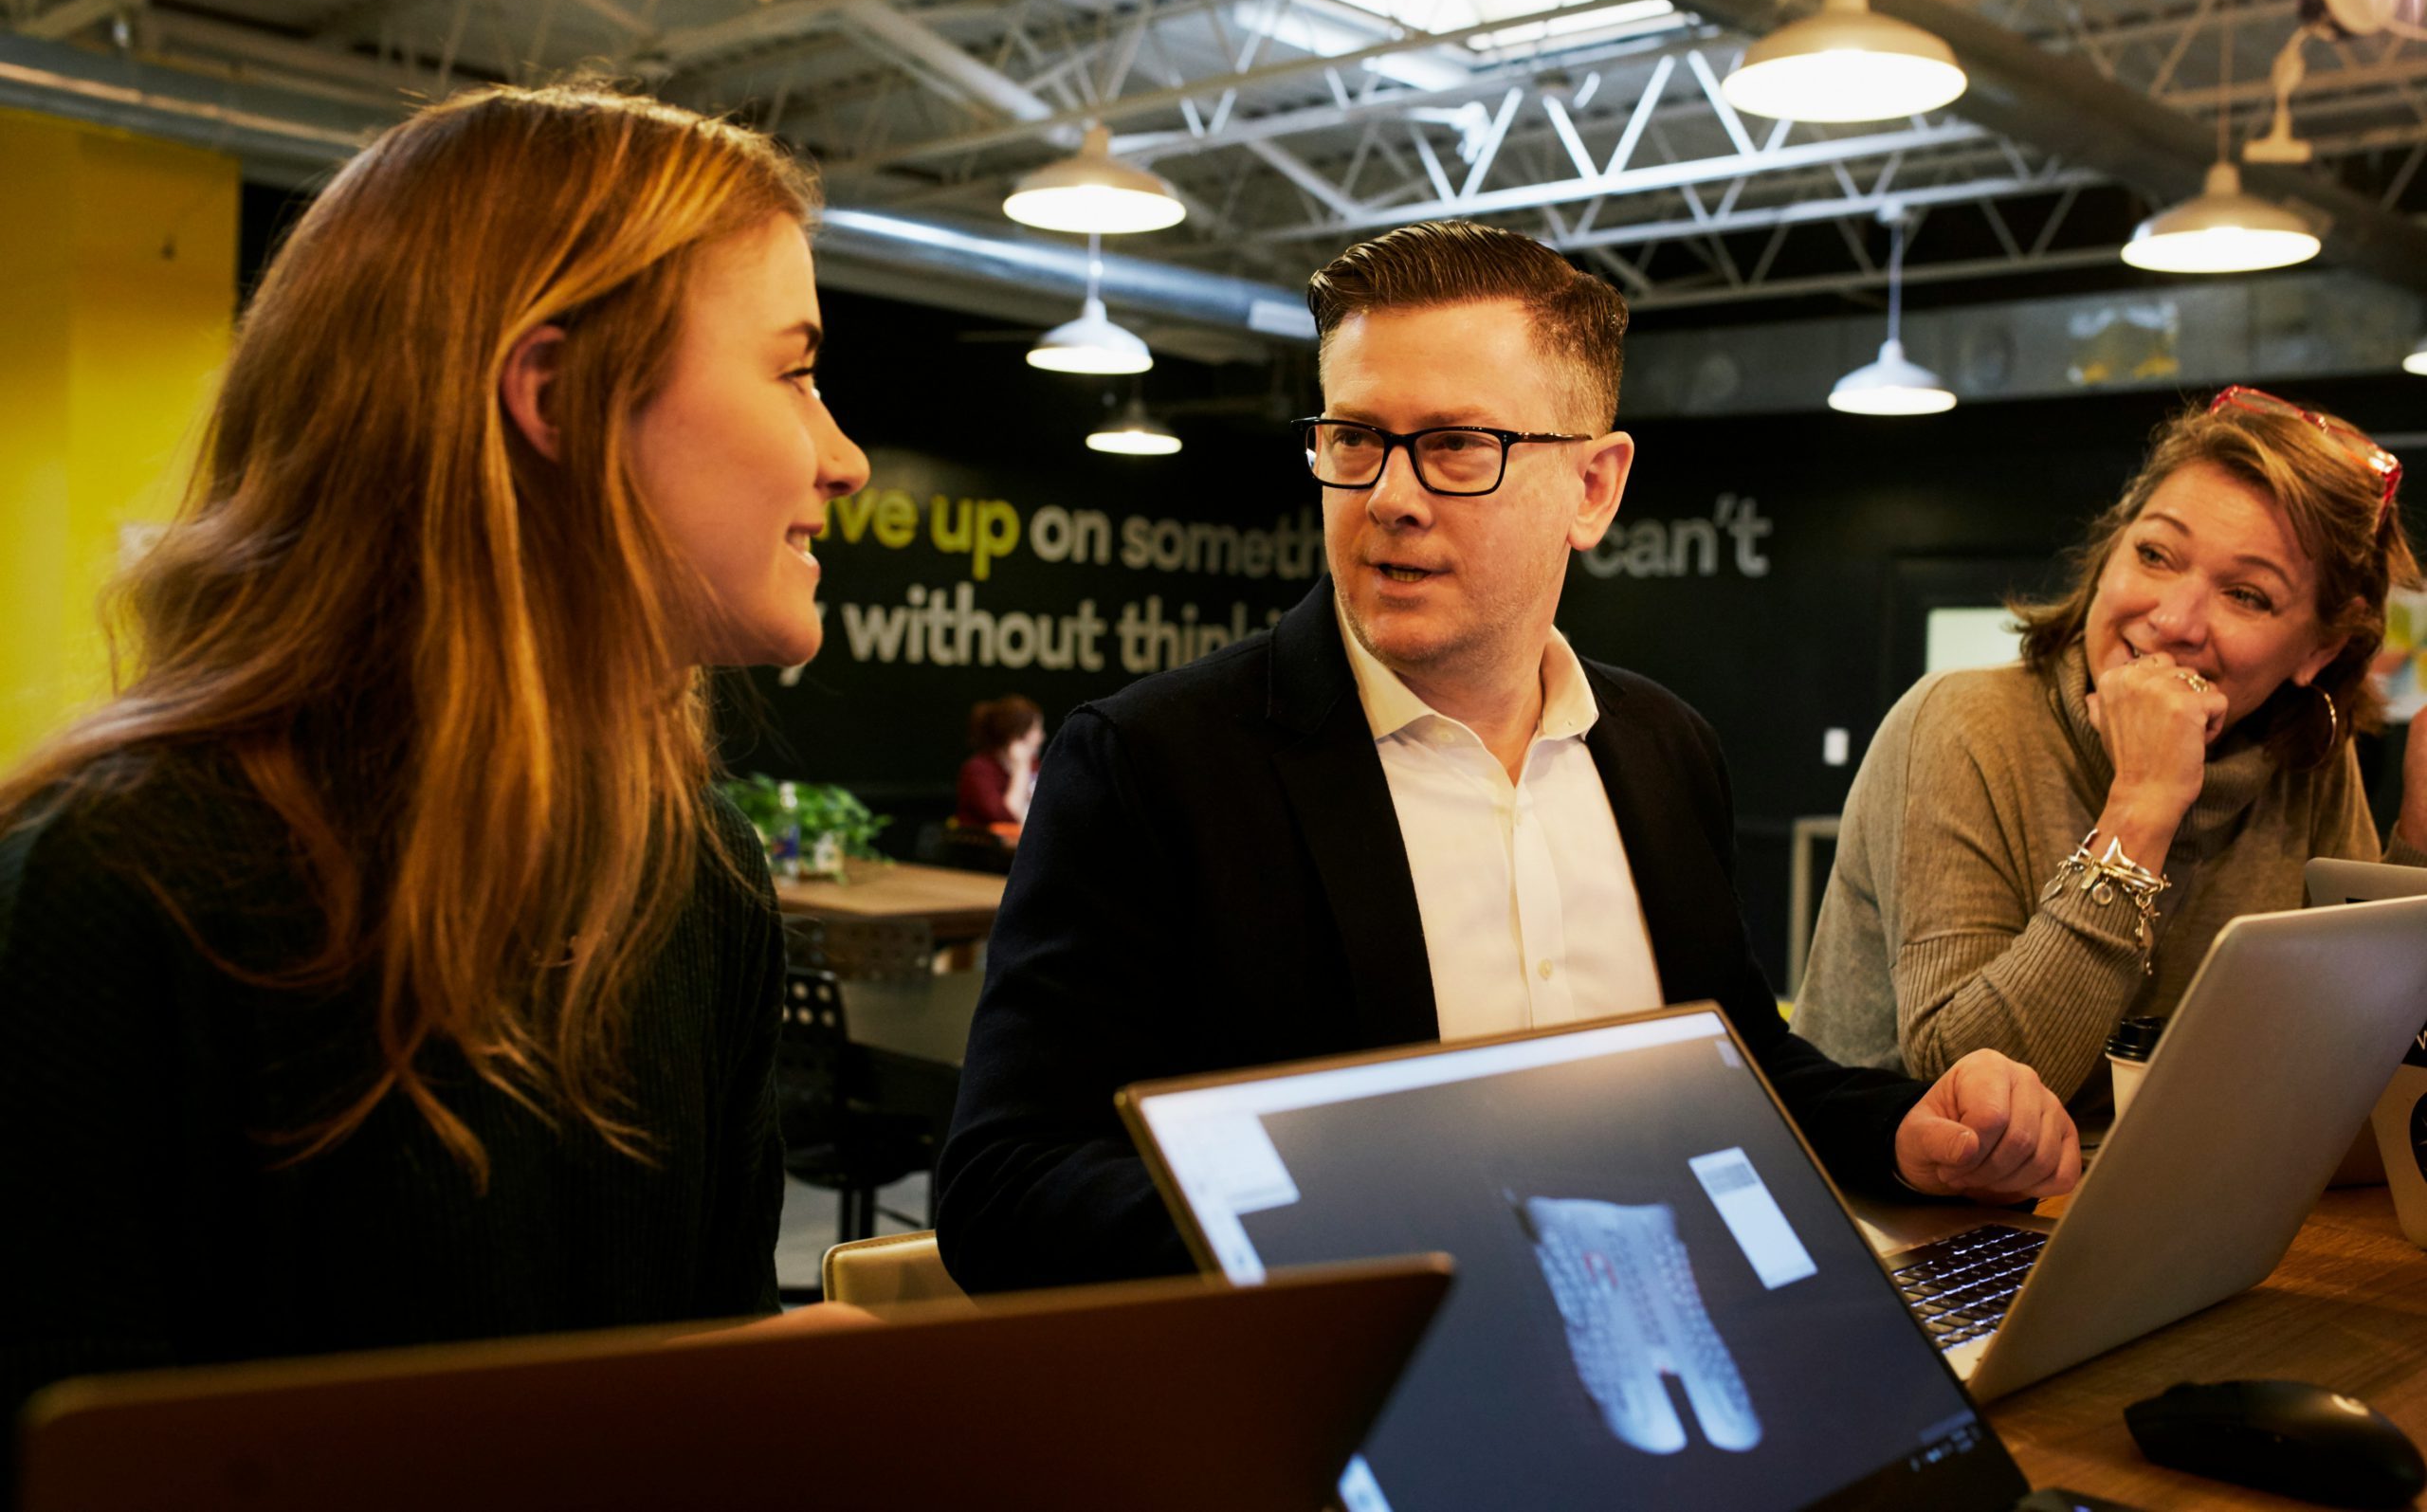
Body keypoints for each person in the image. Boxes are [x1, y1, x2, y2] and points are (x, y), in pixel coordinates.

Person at [936, 221, 2078, 1295]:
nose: (1388, 497)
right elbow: (1003, 1188)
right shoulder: (1154, 765)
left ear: (1593, 486)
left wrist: (1900, 1130)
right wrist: (1360, 1224)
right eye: (1352, 439)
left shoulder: (1663, 750)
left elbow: (1736, 1063)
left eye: (1453, 446)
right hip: (1351, 1410)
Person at [0, 83, 871, 1430]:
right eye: (796, 370)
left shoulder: (698, 878)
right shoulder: (117, 890)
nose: (846, 457)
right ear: (560, 394)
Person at [1793, 390, 2426, 1107]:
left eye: (2246, 596)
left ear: (2320, 650)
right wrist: (2144, 805)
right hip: (1899, 1204)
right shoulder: (1960, 722)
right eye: (2155, 554)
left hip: (2153, 1182)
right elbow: (1967, 1091)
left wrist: (2422, 846)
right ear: (2110, 549)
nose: (2174, 620)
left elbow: (2351, 1073)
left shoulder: (2305, 757)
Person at [955, 695, 1045, 839]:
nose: (1041, 737)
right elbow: (1007, 818)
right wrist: (1021, 767)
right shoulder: (978, 770)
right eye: (1036, 730)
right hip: (989, 856)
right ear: (1017, 736)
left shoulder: (1035, 765)